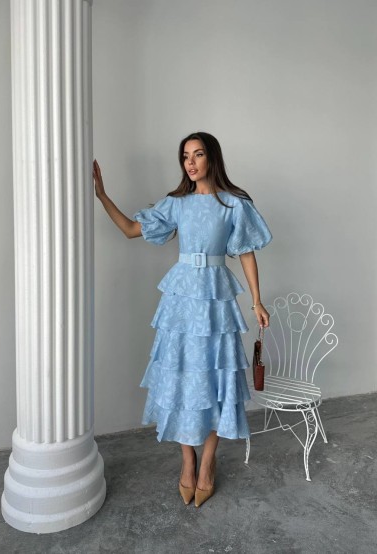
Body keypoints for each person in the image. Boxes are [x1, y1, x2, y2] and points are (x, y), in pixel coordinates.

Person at [93, 131, 272, 508]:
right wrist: (102, 196)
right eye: (185, 156)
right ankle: (188, 461)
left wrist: (257, 301)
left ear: (212, 158)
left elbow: (246, 253)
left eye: (198, 154)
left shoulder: (234, 204)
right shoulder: (177, 204)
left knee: (215, 378)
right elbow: (131, 230)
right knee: (183, 378)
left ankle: (208, 464)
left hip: (216, 299)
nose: (190, 162)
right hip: (181, 301)